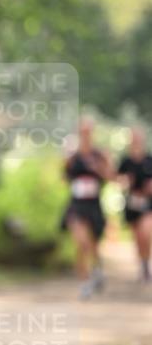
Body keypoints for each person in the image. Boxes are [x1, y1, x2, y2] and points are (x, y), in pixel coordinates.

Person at [60, 117, 113, 300]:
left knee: (93, 245)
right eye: (82, 130)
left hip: (94, 204)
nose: (85, 134)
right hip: (76, 204)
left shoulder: (99, 155)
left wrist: (100, 167)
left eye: (88, 130)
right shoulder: (72, 155)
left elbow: (110, 177)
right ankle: (84, 283)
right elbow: (64, 178)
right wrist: (66, 160)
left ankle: (97, 269)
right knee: (81, 243)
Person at [117, 126, 152, 283]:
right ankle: (143, 264)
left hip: (148, 203)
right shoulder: (126, 161)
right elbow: (118, 178)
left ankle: (146, 263)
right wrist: (125, 181)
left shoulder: (149, 160)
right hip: (132, 203)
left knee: (146, 232)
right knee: (138, 238)